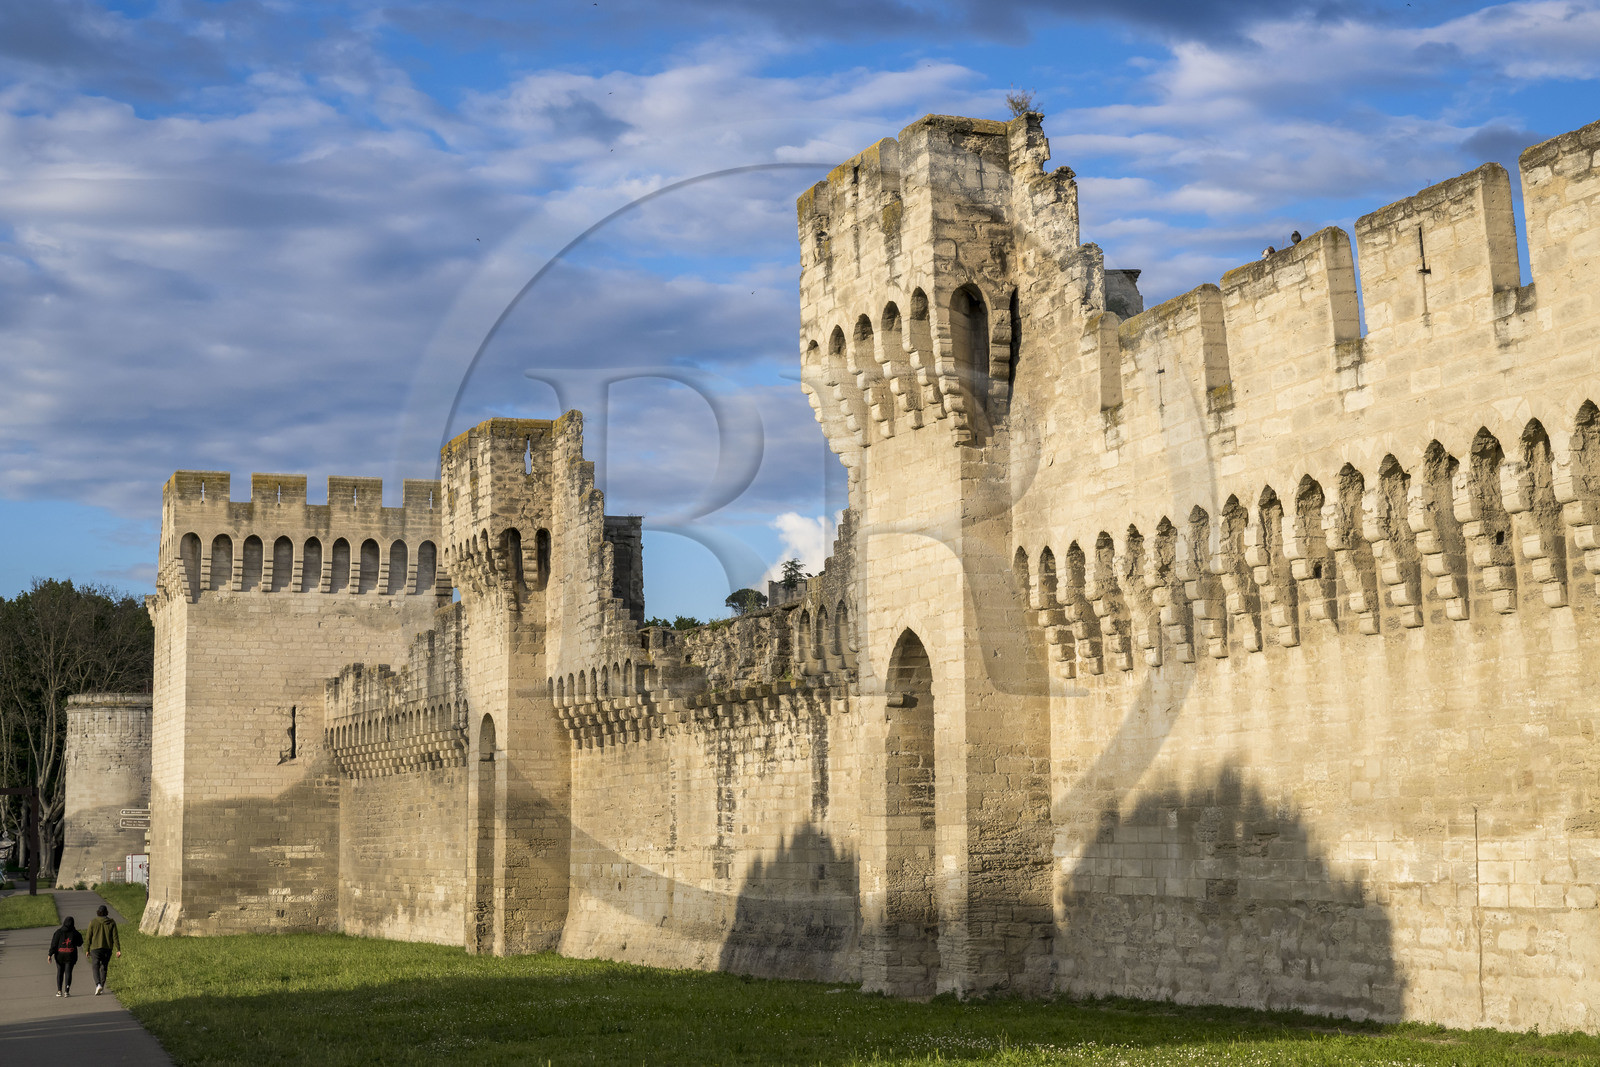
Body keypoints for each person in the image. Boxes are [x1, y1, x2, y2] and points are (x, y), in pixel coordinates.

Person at [84, 903, 122, 995]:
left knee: (95, 967)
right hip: (107, 948)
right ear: (106, 913)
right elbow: (115, 937)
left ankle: (98, 984)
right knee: (104, 967)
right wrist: (118, 949)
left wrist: (87, 949)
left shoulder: (93, 922)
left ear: (98, 912)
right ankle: (101, 985)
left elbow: (88, 936)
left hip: (95, 948)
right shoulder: (112, 922)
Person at [47, 915, 83, 997]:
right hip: (71, 955)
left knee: (60, 972)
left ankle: (59, 991)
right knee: (68, 972)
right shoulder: (75, 933)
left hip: (59, 955)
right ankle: (67, 991)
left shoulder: (58, 932)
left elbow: (54, 944)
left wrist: (50, 954)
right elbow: (80, 943)